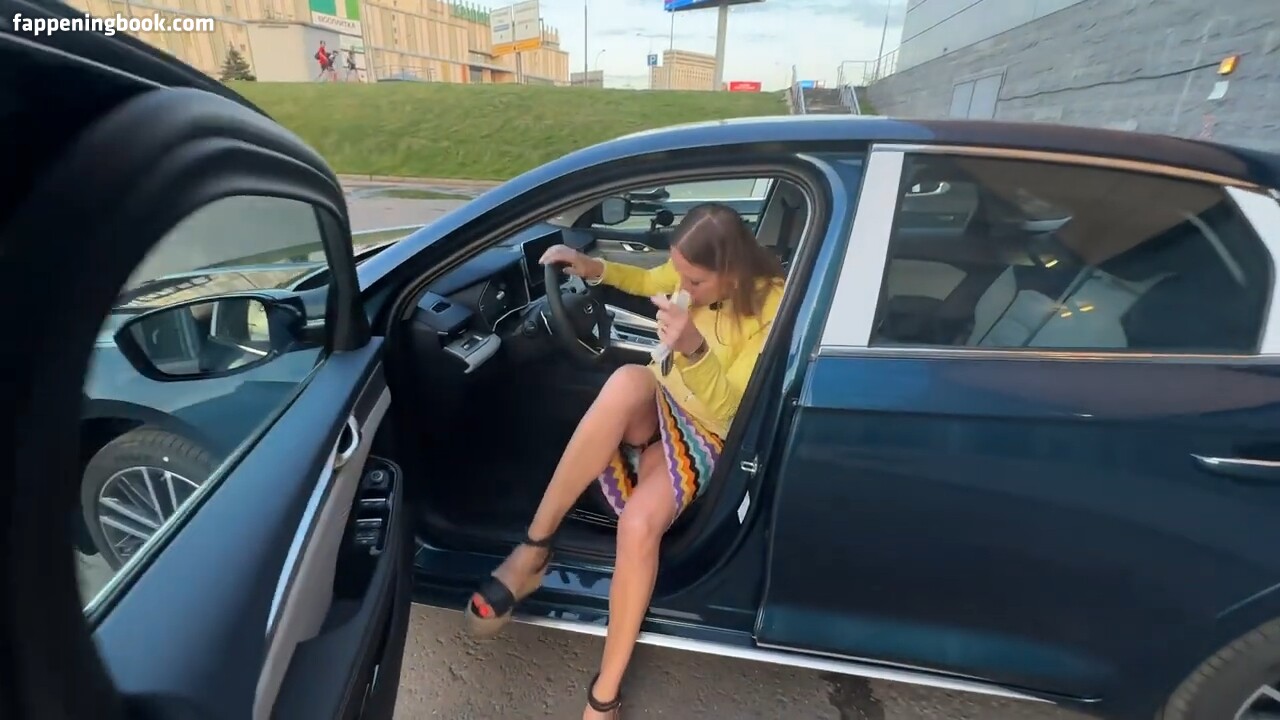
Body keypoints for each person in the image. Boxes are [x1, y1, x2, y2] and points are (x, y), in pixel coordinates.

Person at [464, 203, 786, 719]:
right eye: (680, 274)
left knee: (638, 526)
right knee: (625, 381)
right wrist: (591, 267)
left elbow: (733, 410)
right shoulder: (688, 276)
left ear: (732, 273)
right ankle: (533, 550)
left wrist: (696, 350)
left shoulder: (771, 308)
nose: (682, 287)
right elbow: (649, 278)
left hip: (710, 432)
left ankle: (604, 696)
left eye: (695, 282)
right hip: (664, 395)